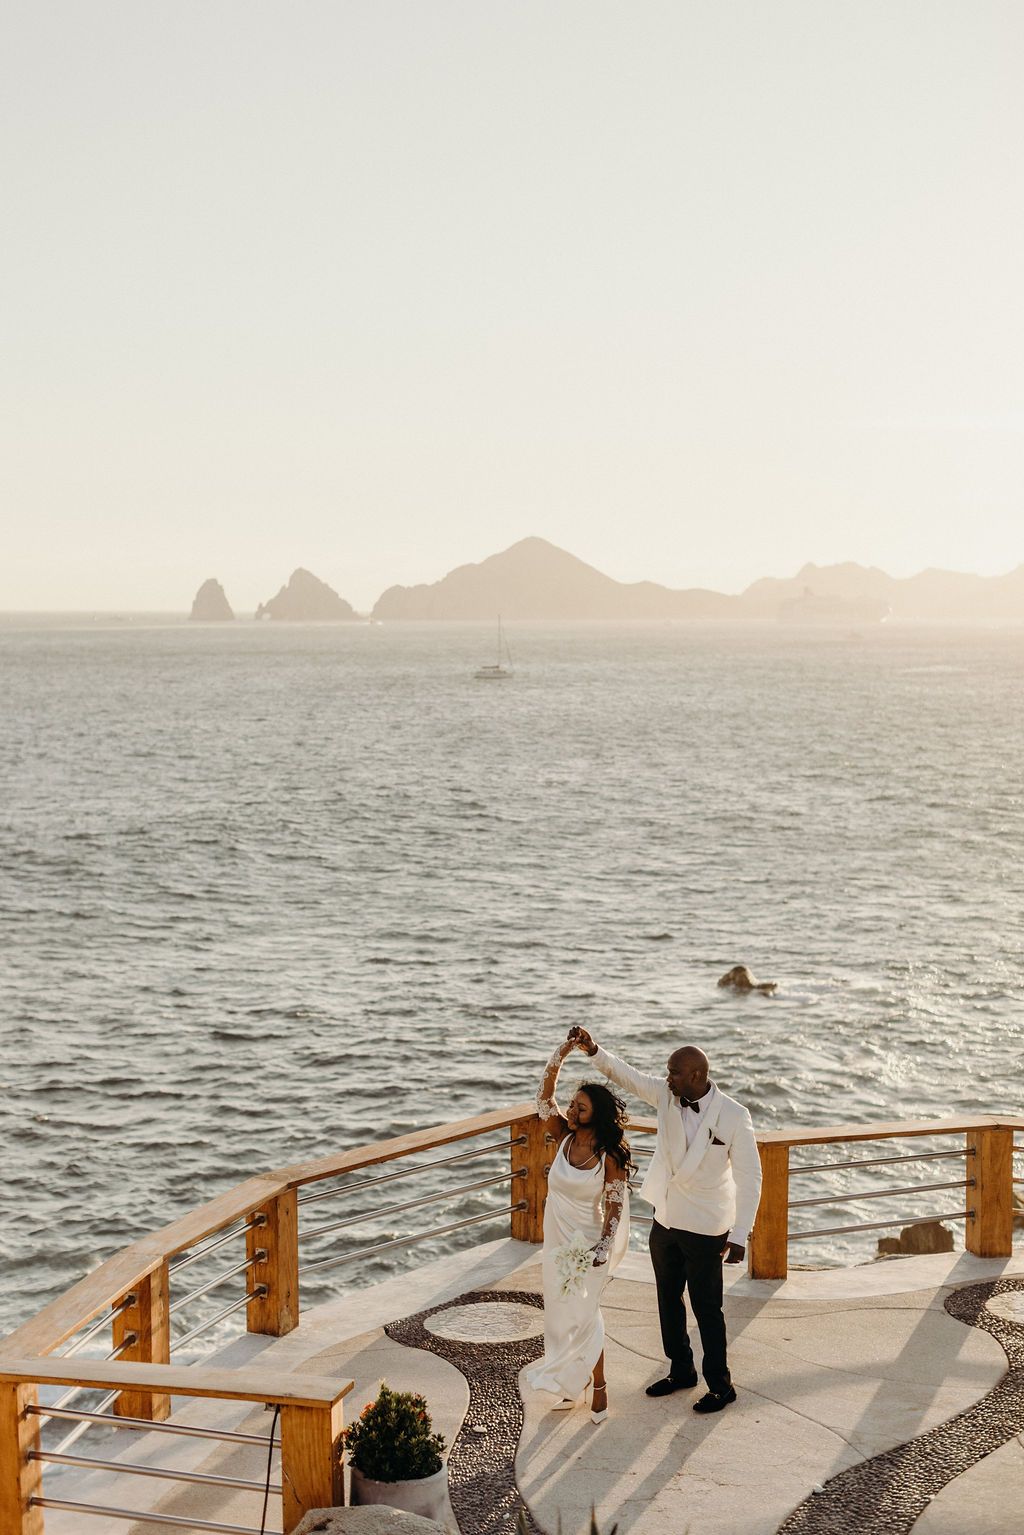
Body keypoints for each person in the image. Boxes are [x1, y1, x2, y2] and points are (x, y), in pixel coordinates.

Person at [567, 1027, 761, 1414]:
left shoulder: (735, 1116)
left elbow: (749, 1177)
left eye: (673, 1072)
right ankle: (681, 1370)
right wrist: (593, 1051)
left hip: (707, 1226)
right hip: (666, 1218)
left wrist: (741, 1233)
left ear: (696, 1076)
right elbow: (628, 1076)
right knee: (667, 1299)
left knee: (708, 1309)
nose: (666, 1077)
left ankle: (721, 1386)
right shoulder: (666, 1096)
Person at [525, 1037, 632, 1424]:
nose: (570, 1110)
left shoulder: (610, 1154)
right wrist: (560, 1054)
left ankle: (599, 1385)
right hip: (556, 1237)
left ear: (596, 1115)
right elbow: (543, 1099)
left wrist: (604, 1244)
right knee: (559, 1314)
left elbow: (615, 1204)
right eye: (572, 1104)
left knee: (586, 1315)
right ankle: (572, 1383)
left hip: (588, 1240)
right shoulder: (563, 1134)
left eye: (580, 1108)